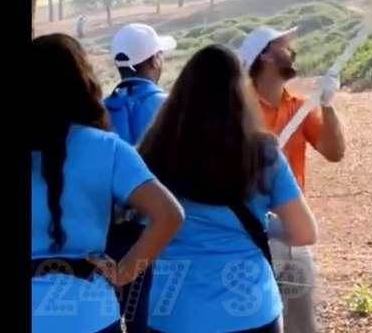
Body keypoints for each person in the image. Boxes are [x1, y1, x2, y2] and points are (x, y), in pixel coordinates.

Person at [139, 44, 318, 333]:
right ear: (240, 95)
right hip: (250, 310)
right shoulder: (263, 154)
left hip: (173, 313)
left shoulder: (153, 154)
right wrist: (266, 225)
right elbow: (304, 232)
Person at [31, 33, 185, 333]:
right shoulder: (107, 148)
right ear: (82, 82)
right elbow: (169, 214)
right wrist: (125, 272)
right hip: (92, 312)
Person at [237, 26, 345, 333]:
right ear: (266, 55)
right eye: (285, 46)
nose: (293, 52)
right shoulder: (238, 110)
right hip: (252, 234)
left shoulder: (298, 107)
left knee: (302, 324)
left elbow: (334, 151)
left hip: (293, 230)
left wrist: (327, 105)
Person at [103, 22, 177, 333]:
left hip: (106, 240)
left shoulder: (99, 111)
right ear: (155, 60)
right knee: (149, 322)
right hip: (160, 237)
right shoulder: (173, 110)